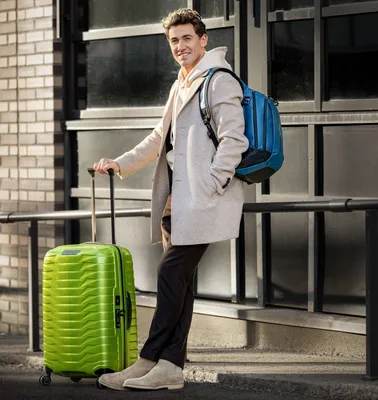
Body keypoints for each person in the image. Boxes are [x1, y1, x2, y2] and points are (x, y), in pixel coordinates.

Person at [93, 8, 248, 391]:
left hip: (202, 200)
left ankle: (149, 358)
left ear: (203, 39)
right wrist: (120, 163)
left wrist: (212, 185)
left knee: (169, 273)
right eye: (174, 41)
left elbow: (235, 139)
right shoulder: (181, 84)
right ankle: (170, 367)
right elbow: (157, 138)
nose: (180, 46)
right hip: (176, 203)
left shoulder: (219, 81)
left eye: (186, 38)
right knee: (181, 282)